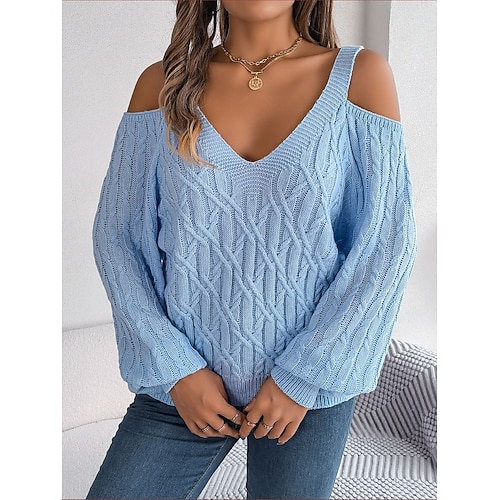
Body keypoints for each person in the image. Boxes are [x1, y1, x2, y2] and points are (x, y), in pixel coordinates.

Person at [87, 0, 417, 498]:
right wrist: (175, 368)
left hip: (305, 387)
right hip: (184, 383)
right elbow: (118, 240)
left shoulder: (359, 77)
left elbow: (385, 247)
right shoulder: (162, 86)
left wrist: (302, 378)